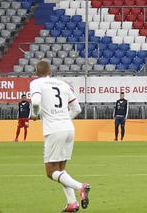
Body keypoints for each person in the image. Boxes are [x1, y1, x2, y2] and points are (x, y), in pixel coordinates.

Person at [28, 60, 91, 212]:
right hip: (69, 129)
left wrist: (35, 115)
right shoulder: (63, 84)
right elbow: (77, 109)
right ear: (50, 71)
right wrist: (64, 120)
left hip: (54, 130)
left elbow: (36, 101)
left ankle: (80, 187)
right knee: (61, 170)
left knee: (50, 172)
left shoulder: (36, 83)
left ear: (37, 72)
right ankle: (72, 203)